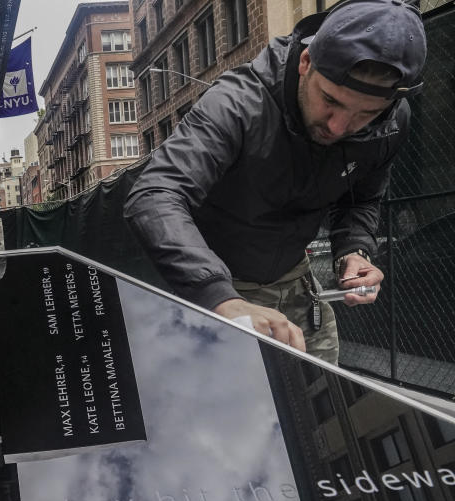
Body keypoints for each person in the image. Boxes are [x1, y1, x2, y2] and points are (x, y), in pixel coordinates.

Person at [124, 0, 427, 367]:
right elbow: (155, 194)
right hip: (218, 290)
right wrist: (218, 296)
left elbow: (362, 197)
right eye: (330, 100)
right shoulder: (236, 103)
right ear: (306, 63)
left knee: (321, 405)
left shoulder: (391, 123)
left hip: (298, 287)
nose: (338, 126)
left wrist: (354, 250)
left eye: (365, 114)